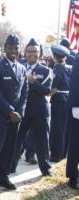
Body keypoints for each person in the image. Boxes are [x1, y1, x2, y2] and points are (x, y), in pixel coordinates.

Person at [0, 34, 28, 190]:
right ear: (5, 49)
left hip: (15, 118)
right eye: (10, 47)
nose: (13, 50)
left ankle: (2, 178)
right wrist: (10, 111)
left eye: (16, 48)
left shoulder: (22, 68)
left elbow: (25, 93)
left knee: (9, 150)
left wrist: (19, 113)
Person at [11, 38, 52, 176]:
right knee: (17, 140)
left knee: (42, 142)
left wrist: (33, 83)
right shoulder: (19, 67)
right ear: (25, 52)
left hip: (40, 112)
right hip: (23, 111)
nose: (31, 54)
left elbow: (46, 91)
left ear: (40, 53)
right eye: (29, 51)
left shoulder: (46, 70)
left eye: (35, 51)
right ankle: (11, 166)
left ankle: (45, 169)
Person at [49, 44, 72, 162]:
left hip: (58, 100)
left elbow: (52, 86)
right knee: (66, 128)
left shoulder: (56, 69)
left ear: (55, 57)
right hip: (68, 99)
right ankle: (64, 152)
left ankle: (56, 154)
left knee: (57, 128)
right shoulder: (70, 68)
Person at [66, 56, 79, 189]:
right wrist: (76, 107)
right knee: (75, 144)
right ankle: (72, 176)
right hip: (77, 108)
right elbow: (75, 84)